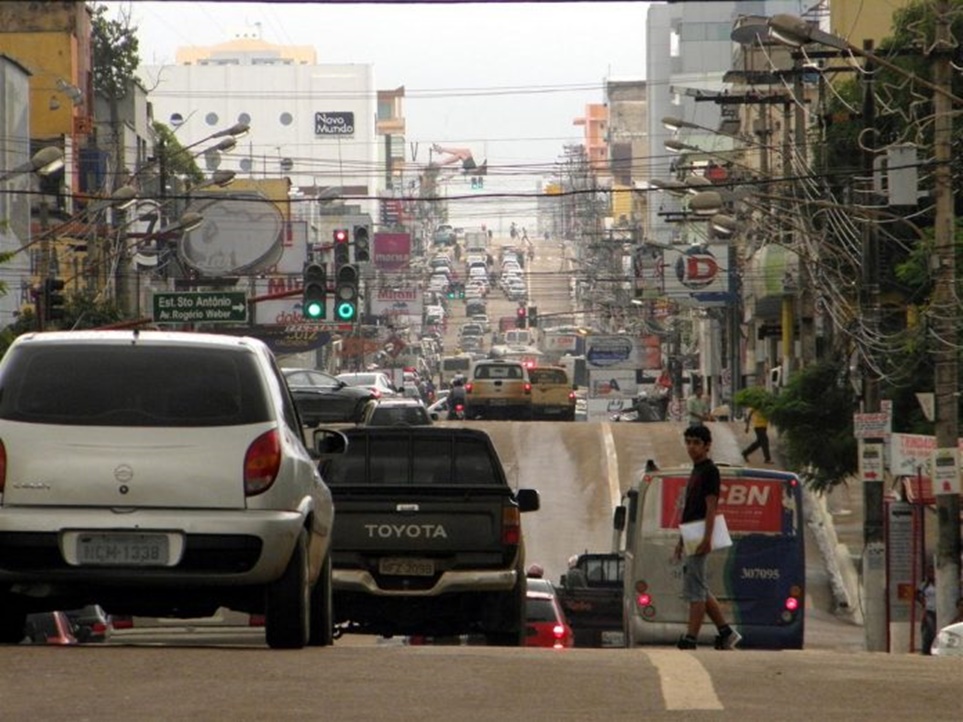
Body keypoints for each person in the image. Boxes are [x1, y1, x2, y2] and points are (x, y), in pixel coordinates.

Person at [674, 425, 741, 650]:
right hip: (691, 534)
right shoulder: (696, 470)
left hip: (700, 534)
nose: (691, 447)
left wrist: (707, 538)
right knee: (700, 586)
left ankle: (691, 637)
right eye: (689, 442)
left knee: (696, 591)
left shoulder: (710, 471)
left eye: (696, 443)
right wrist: (680, 541)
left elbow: (711, 507)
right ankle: (726, 632)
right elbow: (689, 509)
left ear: (707, 446)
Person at [917, 562, 937, 655]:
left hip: (939, 609)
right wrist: (923, 603)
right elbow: (918, 594)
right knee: (929, 629)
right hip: (929, 610)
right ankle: (926, 649)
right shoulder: (925, 585)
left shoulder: (940, 584)